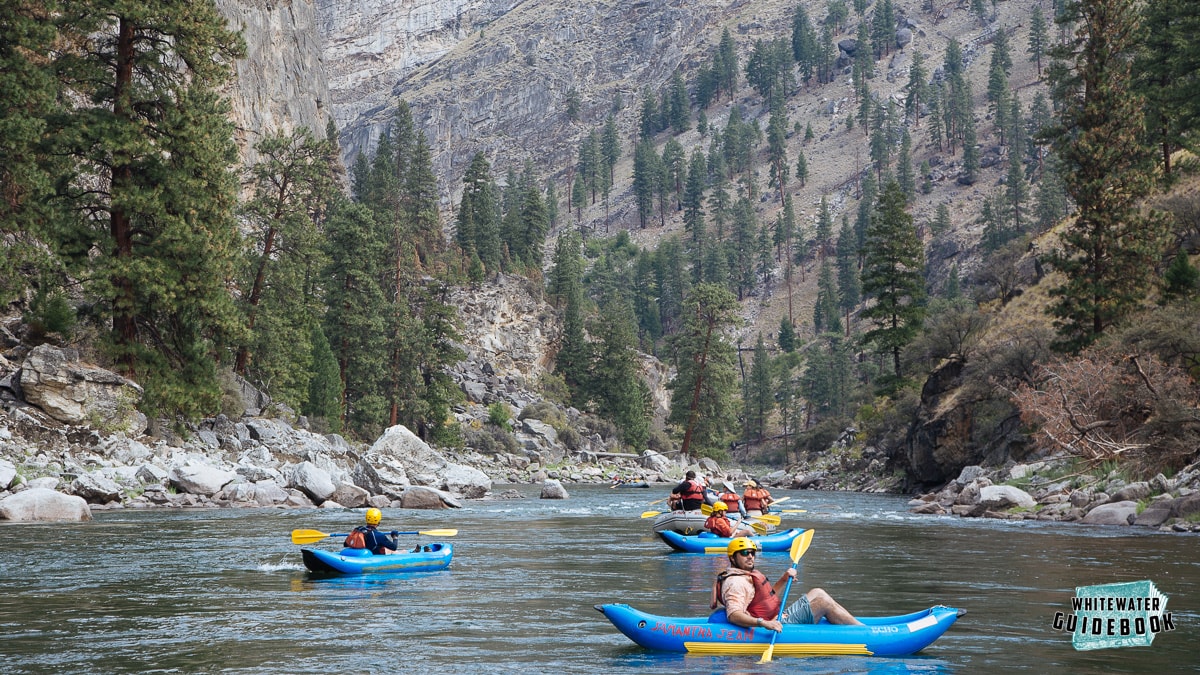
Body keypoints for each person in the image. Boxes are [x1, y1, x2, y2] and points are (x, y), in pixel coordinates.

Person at [711, 537, 862, 631]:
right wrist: (763, 624)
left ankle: (858, 626)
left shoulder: (744, 575)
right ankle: (864, 632)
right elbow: (734, 615)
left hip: (775, 617)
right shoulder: (736, 582)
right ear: (732, 558)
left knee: (818, 592)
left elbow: (768, 598)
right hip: (775, 625)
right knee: (822, 601)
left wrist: (784, 579)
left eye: (752, 552)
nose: (750, 557)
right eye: (744, 553)